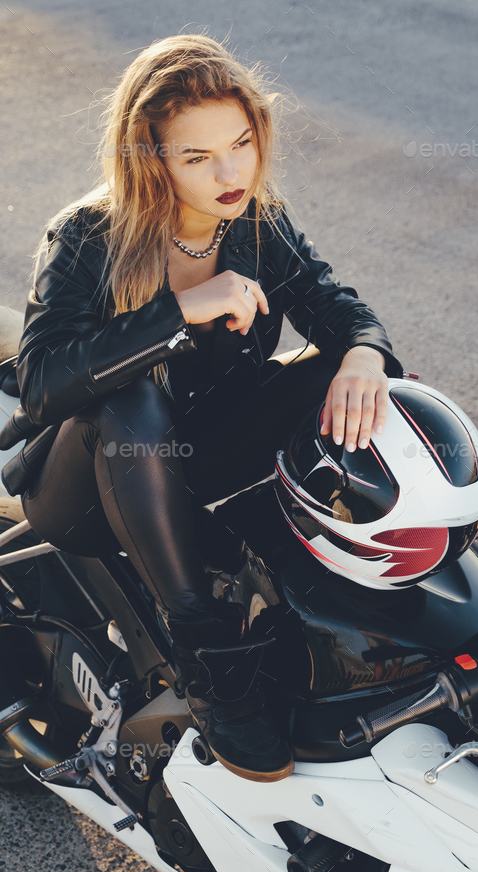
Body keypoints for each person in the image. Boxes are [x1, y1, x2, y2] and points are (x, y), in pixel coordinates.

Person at [14, 34, 403, 782]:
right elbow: (41, 381)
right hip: (87, 485)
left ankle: (386, 566)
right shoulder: (89, 235)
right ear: (152, 159)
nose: (230, 173)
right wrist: (180, 309)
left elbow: (340, 310)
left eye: (242, 144)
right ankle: (208, 658)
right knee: (124, 388)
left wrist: (362, 353)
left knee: (350, 373)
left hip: (200, 462)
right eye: (197, 157)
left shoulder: (257, 222)